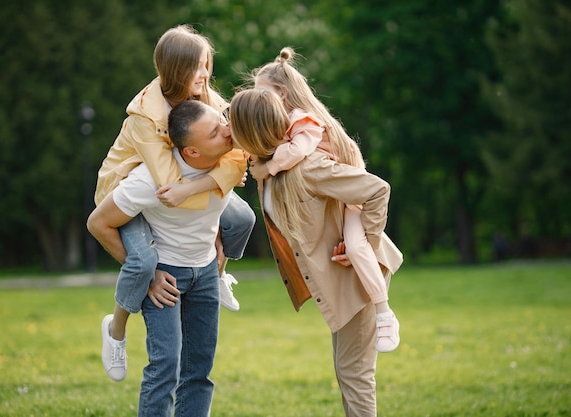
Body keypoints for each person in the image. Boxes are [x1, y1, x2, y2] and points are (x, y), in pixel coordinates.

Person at [92, 25, 255, 382]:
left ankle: (218, 274)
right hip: (128, 194)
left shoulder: (206, 98)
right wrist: (222, 182)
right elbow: (170, 187)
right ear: (176, 70)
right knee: (144, 259)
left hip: (182, 191)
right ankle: (116, 328)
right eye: (197, 67)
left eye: (207, 64)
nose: (205, 73)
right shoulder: (145, 117)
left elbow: (237, 145)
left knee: (241, 218)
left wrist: (225, 178)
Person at [229, 88, 403, 417]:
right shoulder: (269, 167)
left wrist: (366, 241)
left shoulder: (309, 167)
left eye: (233, 125)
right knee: (348, 371)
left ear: (250, 131)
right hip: (336, 281)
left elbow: (377, 190)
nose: (228, 131)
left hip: (358, 278)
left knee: (354, 374)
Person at [88, 99, 239, 416]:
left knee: (199, 370)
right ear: (192, 152)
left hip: (206, 272)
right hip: (166, 274)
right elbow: (98, 223)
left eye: (221, 121)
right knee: (166, 366)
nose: (228, 130)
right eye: (215, 132)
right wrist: (149, 274)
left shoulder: (232, 158)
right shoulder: (150, 181)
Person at [245, 48, 401, 353]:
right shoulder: (284, 126)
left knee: (357, 247)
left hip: (354, 203)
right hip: (348, 200)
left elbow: (297, 152)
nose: (257, 100)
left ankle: (385, 314)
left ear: (282, 94)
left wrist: (266, 167)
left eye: (261, 93)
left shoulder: (303, 121)